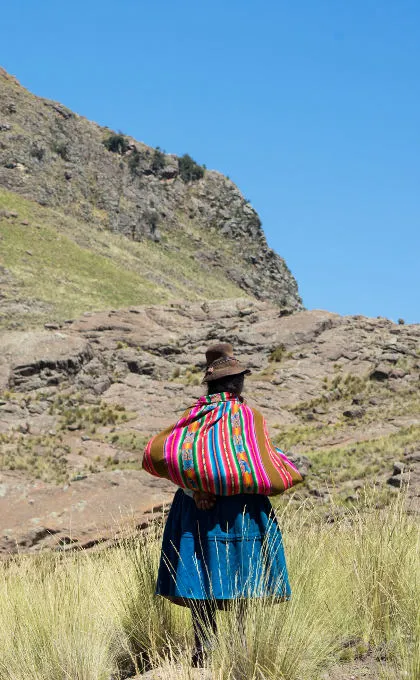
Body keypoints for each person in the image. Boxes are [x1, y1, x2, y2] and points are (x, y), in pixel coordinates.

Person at [147, 343, 293, 667]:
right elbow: (260, 462)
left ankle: (204, 655)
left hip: (200, 510)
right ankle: (241, 653)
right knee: (243, 580)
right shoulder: (248, 417)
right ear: (237, 383)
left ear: (211, 383)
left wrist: (194, 487)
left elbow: (168, 455)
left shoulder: (192, 417)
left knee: (202, 579)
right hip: (243, 513)